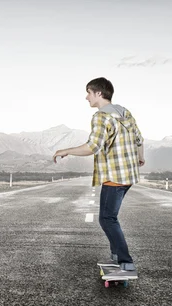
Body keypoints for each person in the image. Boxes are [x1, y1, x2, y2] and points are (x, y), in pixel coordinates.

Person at [52, 77, 145, 276]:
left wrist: (65, 151)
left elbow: (93, 147)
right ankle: (116, 257)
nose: (87, 97)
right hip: (129, 174)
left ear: (99, 94)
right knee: (110, 217)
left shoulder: (101, 116)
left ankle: (126, 263)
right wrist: (140, 157)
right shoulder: (124, 112)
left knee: (107, 218)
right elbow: (139, 139)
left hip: (115, 174)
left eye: (89, 92)